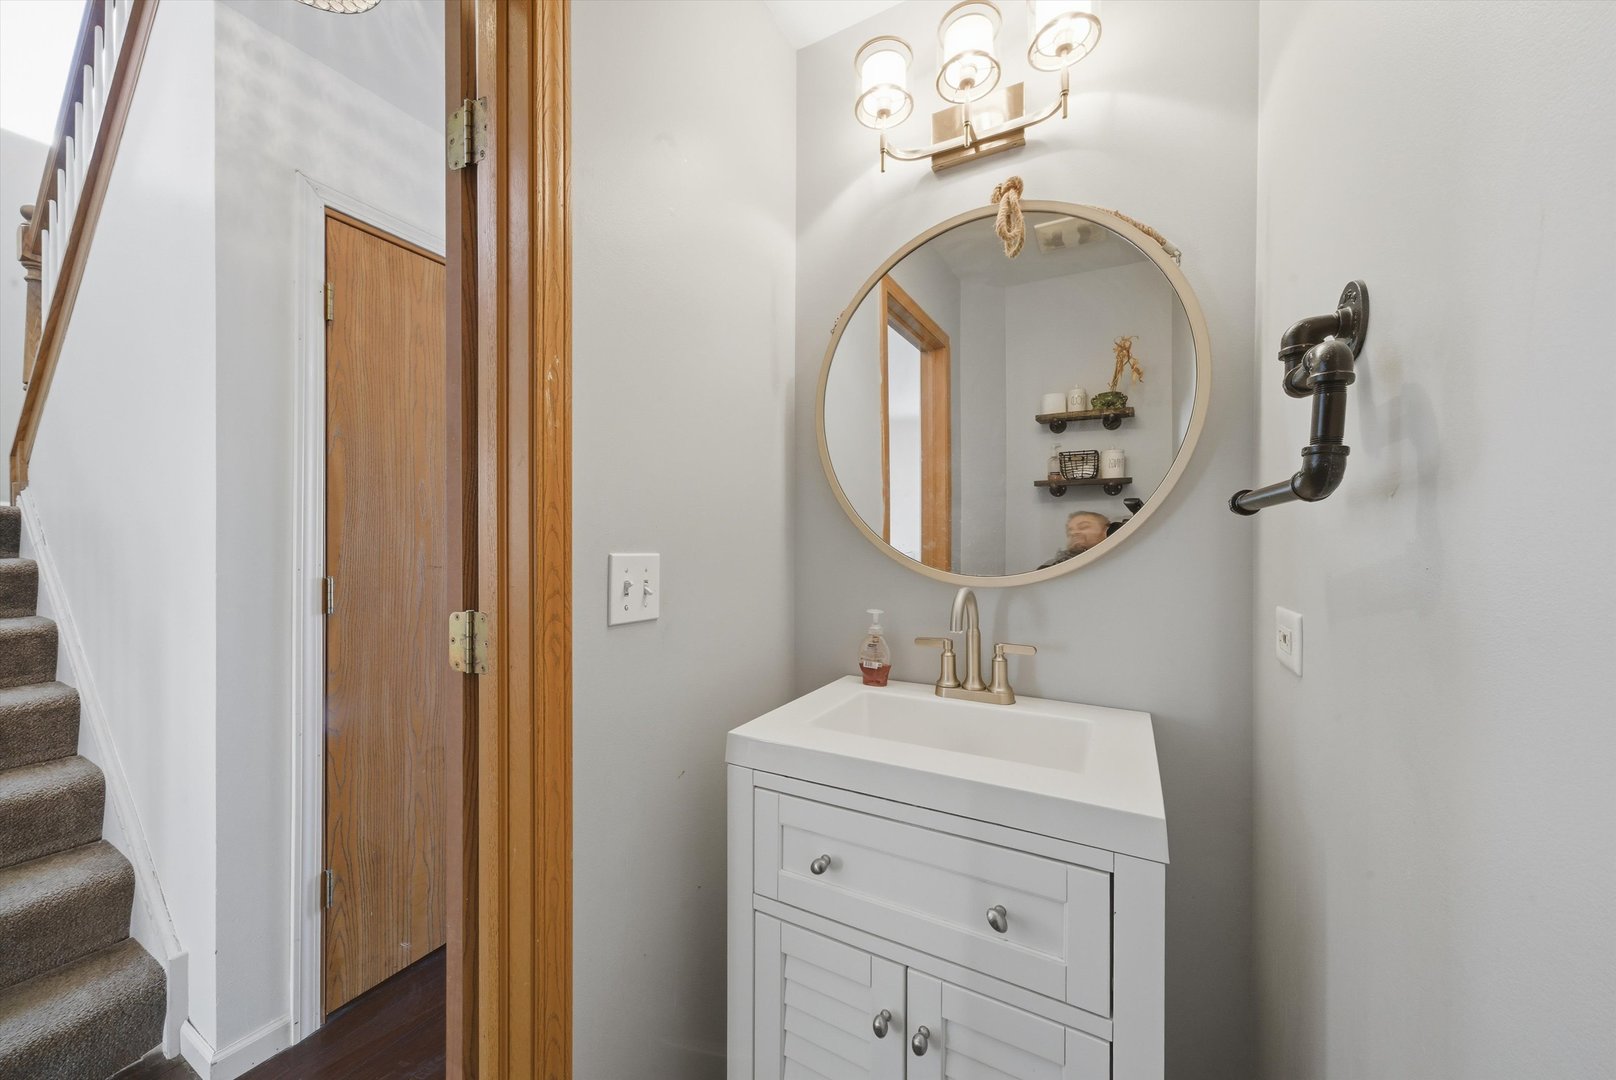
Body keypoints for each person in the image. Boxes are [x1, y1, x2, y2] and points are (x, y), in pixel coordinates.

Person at [1037, 511, 1111, 568]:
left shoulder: (1114, 561)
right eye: (1070, 530)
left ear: (1105, 531)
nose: (1074, 533)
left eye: (1083, 527)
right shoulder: (1050, 567)